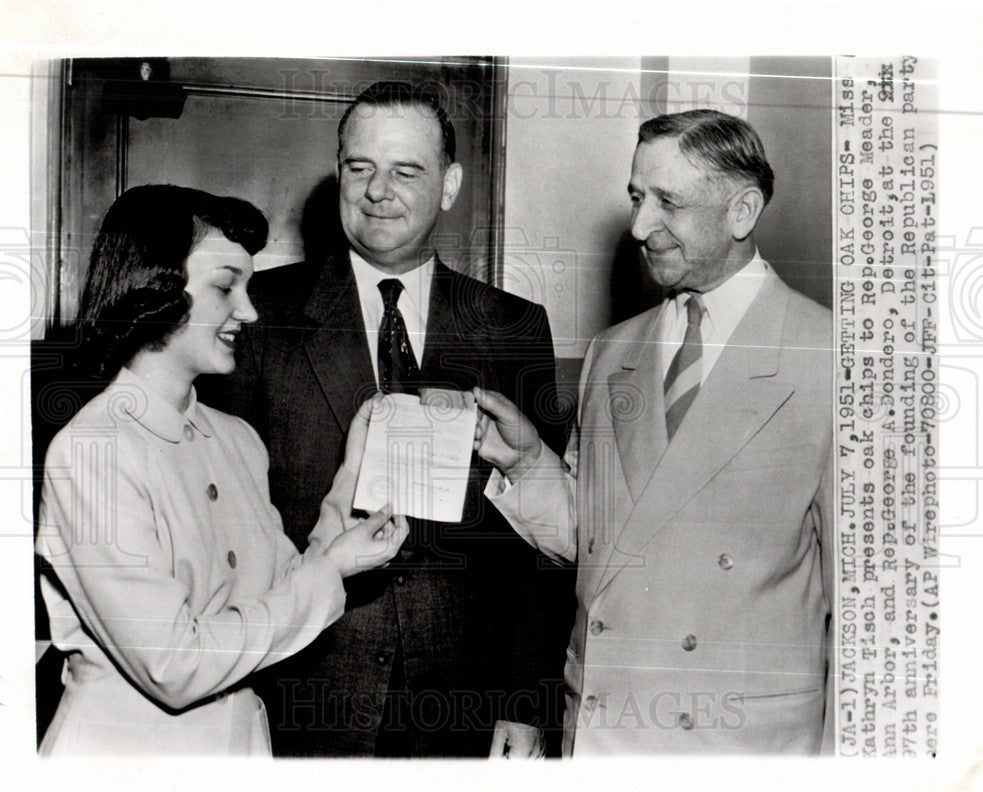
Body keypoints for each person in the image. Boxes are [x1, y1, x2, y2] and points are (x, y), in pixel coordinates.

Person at [198, 81, 574, 757]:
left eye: (406, 171)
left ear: (450, 185)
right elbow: (218, 517)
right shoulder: (257, 315)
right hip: (301, 686)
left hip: (466, 699)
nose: (378, 191)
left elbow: (542, 549)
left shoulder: (512, 326)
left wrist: (527, 698)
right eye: (359, 168)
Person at [475, 109, 835, 756]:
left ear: (741, 211)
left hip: (743, 754)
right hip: (607, 735)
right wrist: (530, 465)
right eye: (638, 198)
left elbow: (864, 612)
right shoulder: (615, 350)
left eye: (669, 201)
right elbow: (598, 544)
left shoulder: (831, 357)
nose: (640, 228)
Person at [35, 185, 407, 755]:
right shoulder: (93, 452)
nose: (249, 311)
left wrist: (354, 476)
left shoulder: (236, 439)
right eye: (225, 286)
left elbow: (288, 587)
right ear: (157, 286)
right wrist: (323, 576)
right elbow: (175, 665)